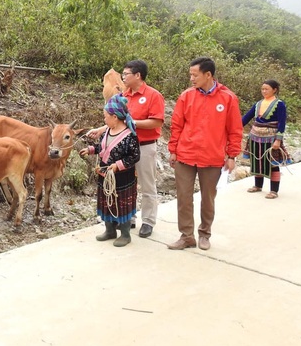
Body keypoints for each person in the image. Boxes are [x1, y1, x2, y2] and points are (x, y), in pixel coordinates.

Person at [167, 57, 243, 251]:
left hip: (212, 157)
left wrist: (232, 155)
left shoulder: (227, 98)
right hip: (185, 154)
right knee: (184, 198)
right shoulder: (186, 96)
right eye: (190, 74)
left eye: (195, 75)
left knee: (208, 198)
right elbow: (176, 125)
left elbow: (235, 129)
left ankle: (204, 234)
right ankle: (186, 236)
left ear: (208, 75)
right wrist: (173, 150)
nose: (191, 78)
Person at [86, 60, 165, 238]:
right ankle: (130, 218)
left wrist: (133, 123)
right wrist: (101, 129)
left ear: (138, 75)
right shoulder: (123, 96)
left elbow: (157, 121)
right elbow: (115, 120)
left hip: (144, 146)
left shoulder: (153, 95)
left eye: (126, 74)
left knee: (147, 184)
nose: (123, 77)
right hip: (123, 148)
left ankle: (148, 221)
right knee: (126, 185)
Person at [79, 94, 140, 247]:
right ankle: (110, 230)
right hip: (105, 176)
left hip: (122, 178)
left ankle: (125, 234)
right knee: (107, 201)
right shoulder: (107, 132)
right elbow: (102, 148)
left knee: (122, 203)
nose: (104, 120)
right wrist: (91, 149)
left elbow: (135, 156)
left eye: (106, 117)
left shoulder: (130, 136)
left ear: (114, 117)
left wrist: (117, 165)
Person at [242, 80, 289, 199]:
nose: (264, 91)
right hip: (255, 137)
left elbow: (281, 123)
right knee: (257, 161)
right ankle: (258, 186)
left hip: (271, 138)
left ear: (274, 90)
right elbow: (246, 117)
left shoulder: (279, 104)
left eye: (266, 89)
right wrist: (233, 128)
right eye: (262, 89)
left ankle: (274, 190)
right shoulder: (258, 104)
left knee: (272, 163)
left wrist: (278, 140)